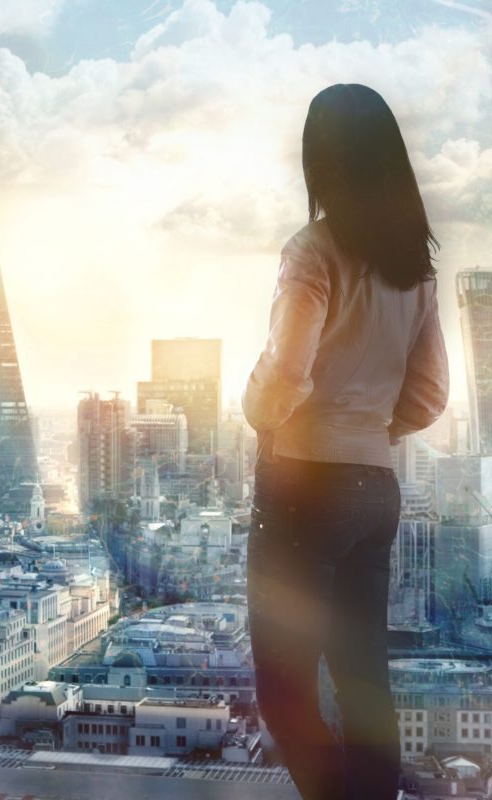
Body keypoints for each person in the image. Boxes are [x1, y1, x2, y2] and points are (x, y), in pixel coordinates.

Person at [242, 83, 449, 800]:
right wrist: (365, 432)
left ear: (320, 162)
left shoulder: (312, 252)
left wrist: (260, 408)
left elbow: (285, 374)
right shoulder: (414, 266)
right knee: (365, 682)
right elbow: (428, 397)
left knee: (284, 688)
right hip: (376, 488)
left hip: (304, 485)